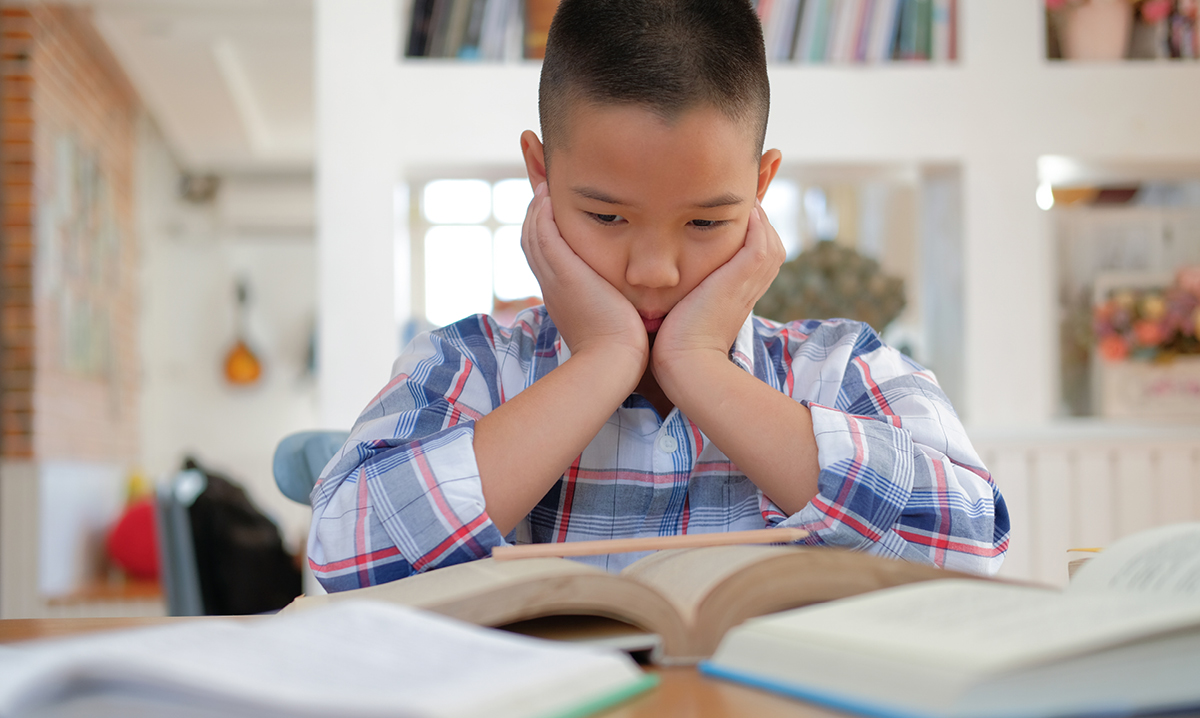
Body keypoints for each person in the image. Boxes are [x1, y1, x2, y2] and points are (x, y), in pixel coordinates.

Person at [308, 0, 1009, 592]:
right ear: (540, 172)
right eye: (608, 218)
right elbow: (341, 552)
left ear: (760, 188)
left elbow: (974, 548)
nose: (654, 270)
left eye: (705, 222)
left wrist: (699, 365)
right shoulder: (470, 366)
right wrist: (603, 360)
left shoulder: (840, 368)